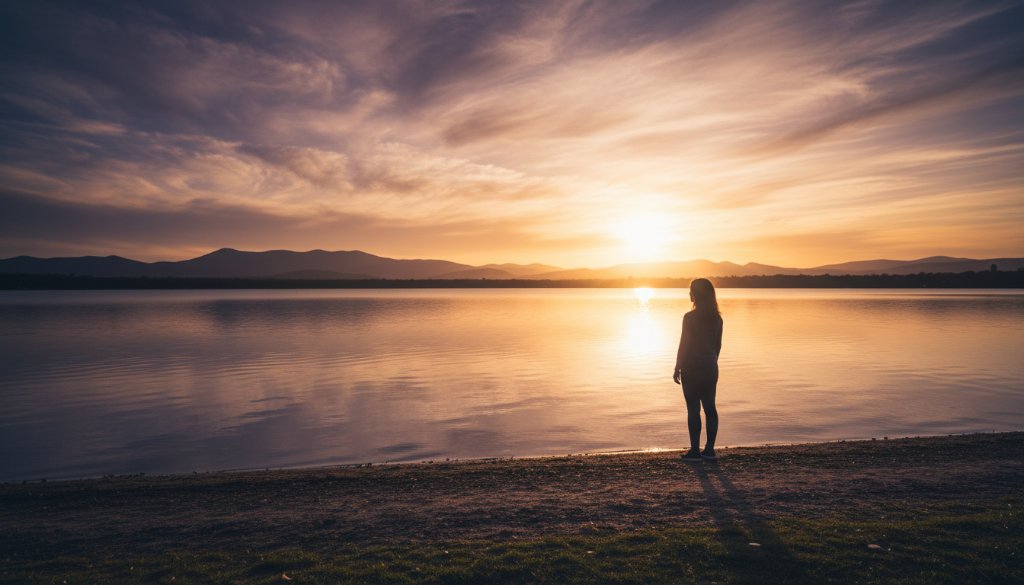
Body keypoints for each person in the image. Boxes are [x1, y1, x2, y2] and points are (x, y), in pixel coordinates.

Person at [673, 278, 723, 462]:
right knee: (710, 408)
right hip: (710, 368)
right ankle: (709, 450)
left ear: (696, 294)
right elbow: (717, 346)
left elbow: (684, 344)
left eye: (690, 290)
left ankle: (695, 451)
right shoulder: (717, 319)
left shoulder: (690, 318)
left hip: (691, 368)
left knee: (693, 409)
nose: (688, 294)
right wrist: (710, 362)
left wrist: (678, 365)